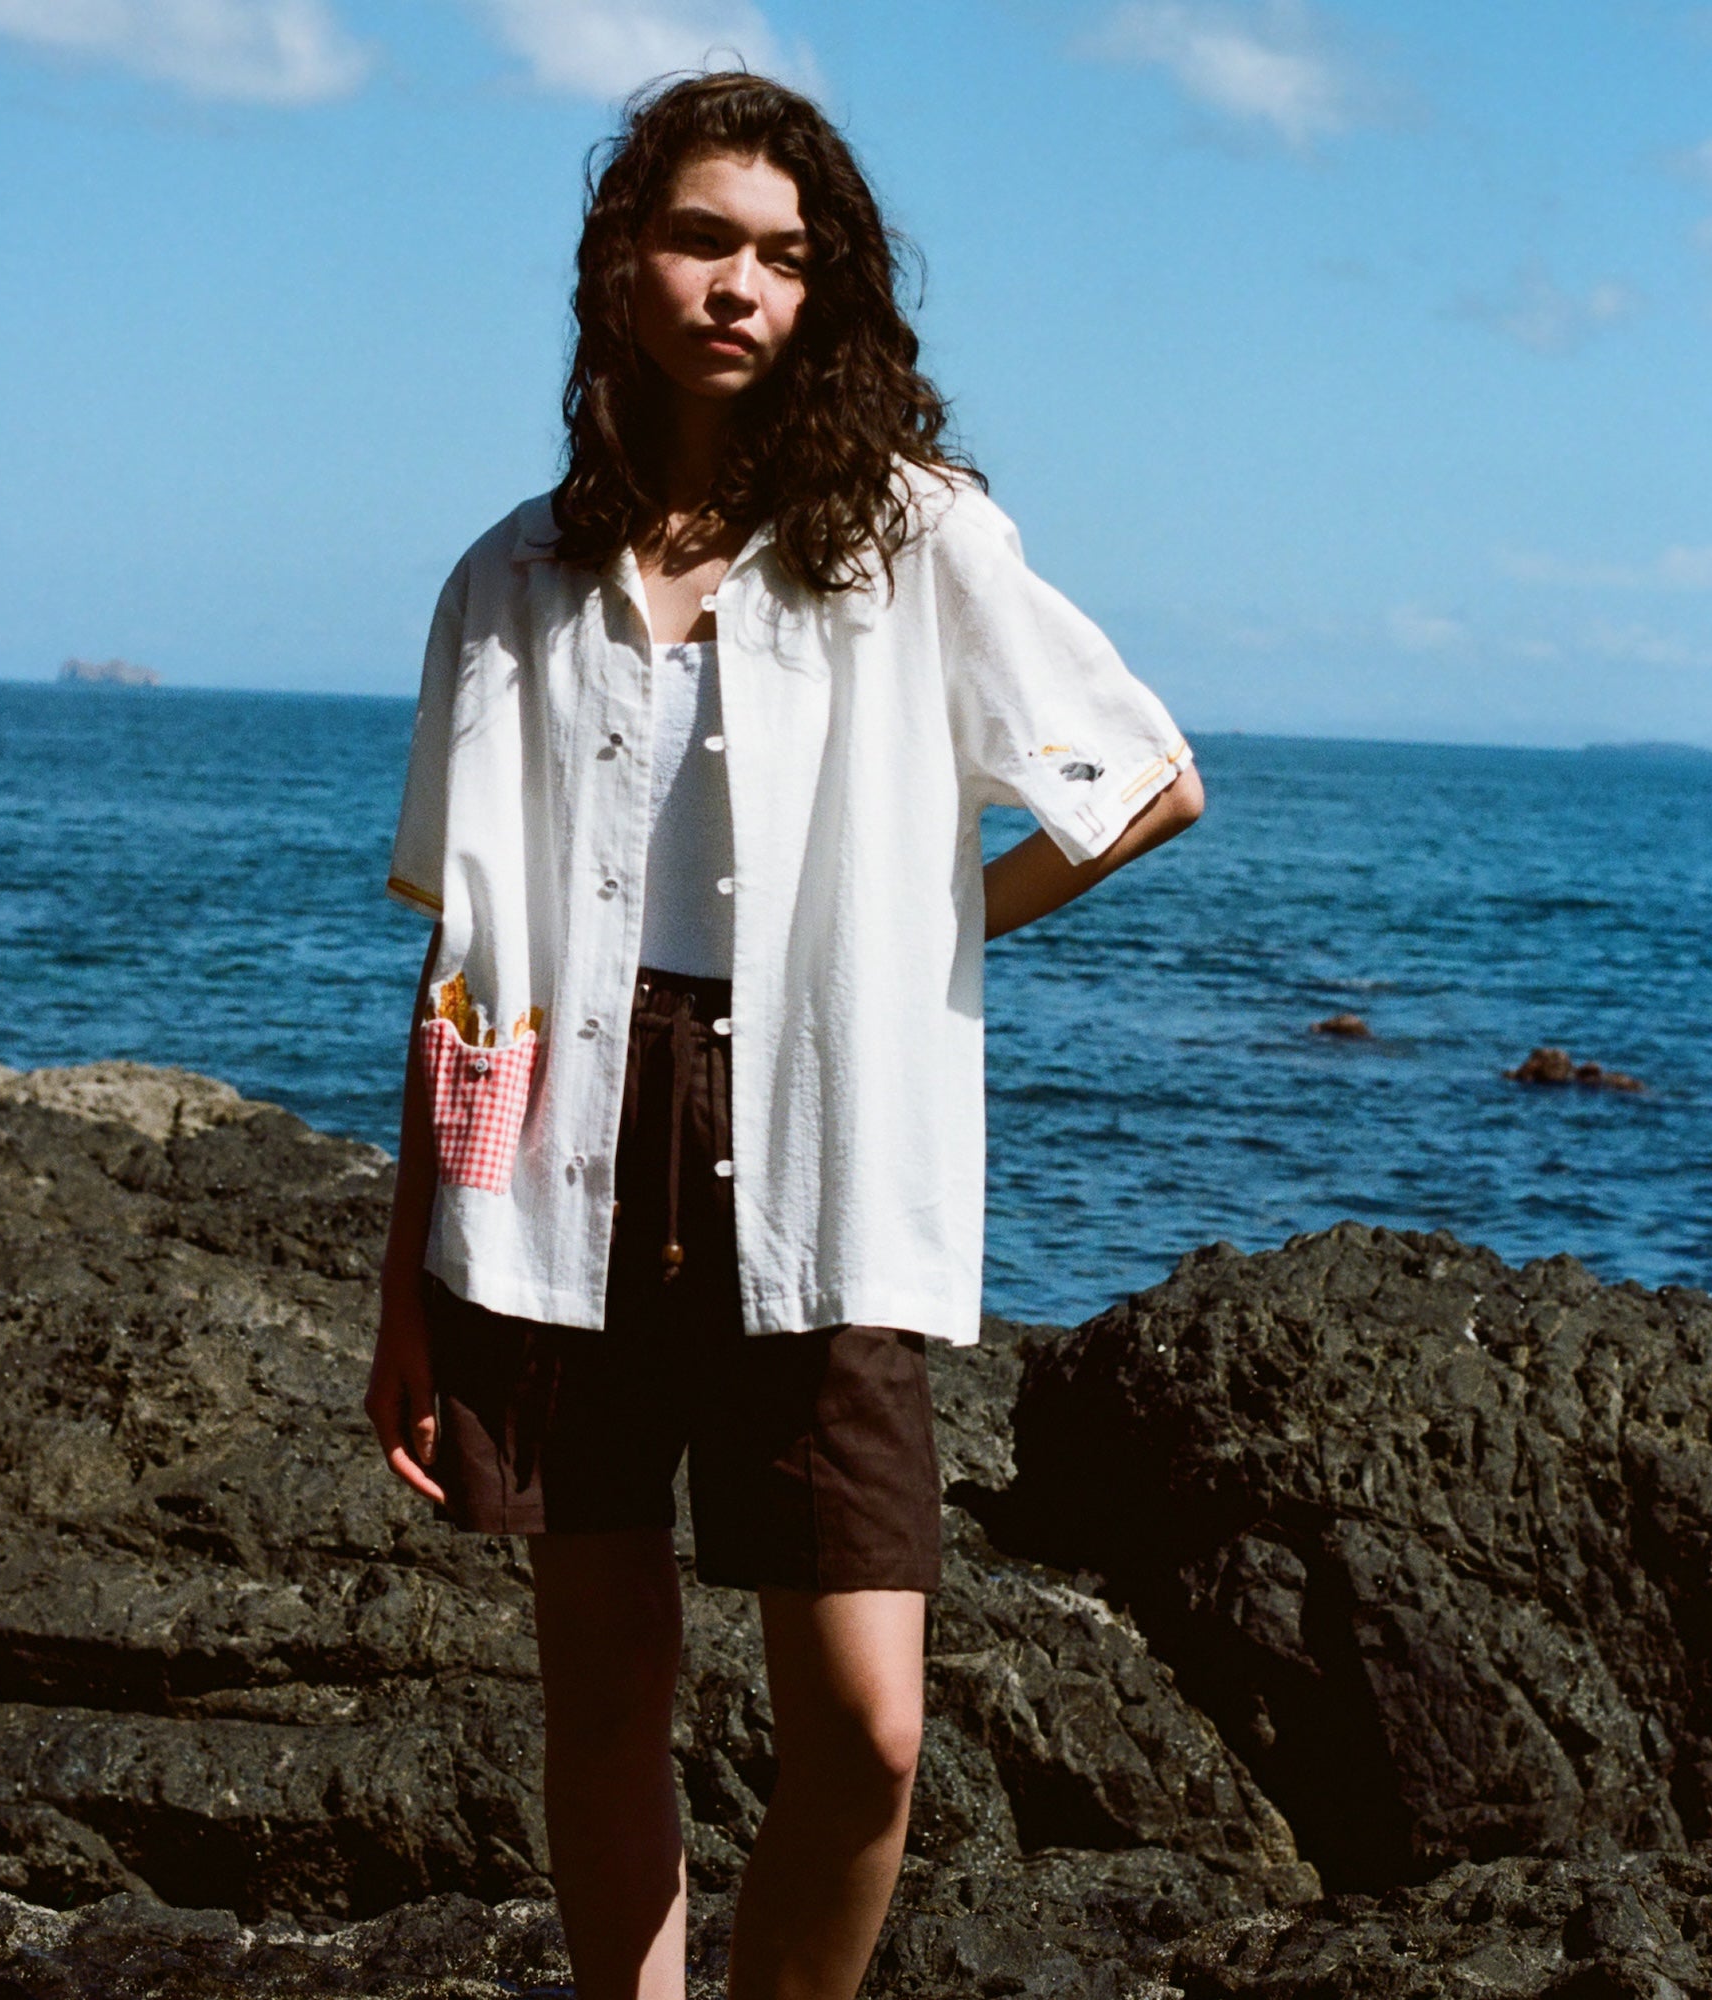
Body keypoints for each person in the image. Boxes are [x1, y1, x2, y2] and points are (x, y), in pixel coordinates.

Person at [364, 68, 1204, 2000]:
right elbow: (462, 963)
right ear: (622, 263)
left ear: (828, 295)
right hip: (552, 1157)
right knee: (604, 1684)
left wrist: (925, 938)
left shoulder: (909, 536)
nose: (742, 285)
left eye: (786, 256)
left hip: (819, 1141)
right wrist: (406, 1279)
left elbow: (1141, 779)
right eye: (703, 239)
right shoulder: (509, 578)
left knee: (868, 1729)